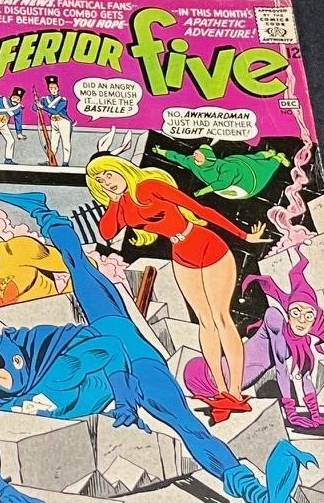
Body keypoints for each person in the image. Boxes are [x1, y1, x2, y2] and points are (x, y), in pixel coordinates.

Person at [0, 191, 314, 503]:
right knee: (83, 276)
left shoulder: (62, 367)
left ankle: (259, 496)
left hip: (131, 356)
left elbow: (111, 348)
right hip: (101, 349)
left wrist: (125, 399)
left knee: (80, 269)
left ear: (20, 365)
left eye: (0, 374)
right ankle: (261, 496)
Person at [86, 153, 269, 416]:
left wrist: (244, 236)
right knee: (205, 321)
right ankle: (221, 391)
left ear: (122, 169)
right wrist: (114, 201)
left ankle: (236, 392)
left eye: (109, 174)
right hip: (180, 254)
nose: (107, 182)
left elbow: (199, 210)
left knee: (221, 317)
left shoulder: (149, 187)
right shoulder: (122, 206)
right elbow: (106, 232)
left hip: (208, 245)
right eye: (101, 181)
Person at [183, 246, 324, 430]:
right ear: (287, 312)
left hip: (230, 386)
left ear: (315, 320)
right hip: (204, 375)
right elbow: (281, 369)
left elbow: (306, 377)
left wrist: (316, 415)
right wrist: (291, 413)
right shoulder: (274, 318)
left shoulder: (304, 342)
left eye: (308, 315)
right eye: (296, 312)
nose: (301, 320)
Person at [152, 141, 289, 200]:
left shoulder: (225, 167)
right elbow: (177, 157)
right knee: (255, 159)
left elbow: (223, 182)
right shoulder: (191, 162)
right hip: (240, 175)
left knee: (264, 167)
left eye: (198, 154)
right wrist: (161, 151)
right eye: (195, 154)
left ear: (208, 157)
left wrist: (203, 191)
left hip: (247, 176)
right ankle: (270, 154)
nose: (195, 156)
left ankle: (278, 158)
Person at [35, 76, 73, 165]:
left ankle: (65, 162)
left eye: (55, 88)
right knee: (53, 143)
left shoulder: (62, 100)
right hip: (53, 122)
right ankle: (49, 160)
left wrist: (42, 107)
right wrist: (36, 102)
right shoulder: (45, 99)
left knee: (65, 142)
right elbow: (34, 107)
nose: (53, 90)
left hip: (63, 122)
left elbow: (56, 111)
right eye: (51, 88)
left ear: (58, 88)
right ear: (49, 89)